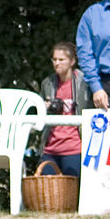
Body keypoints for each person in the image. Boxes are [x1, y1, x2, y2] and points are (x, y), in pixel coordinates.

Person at [38, 41, 90, 177]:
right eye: (54, 59)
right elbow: (38, 113)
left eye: (61, 60)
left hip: (74, 147)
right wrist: (43, 107)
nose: (57, 63)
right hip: (50, 148)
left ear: (72, 61)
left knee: (74, 194)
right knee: (48, 193)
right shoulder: (47, 83)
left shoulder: (85, 83)